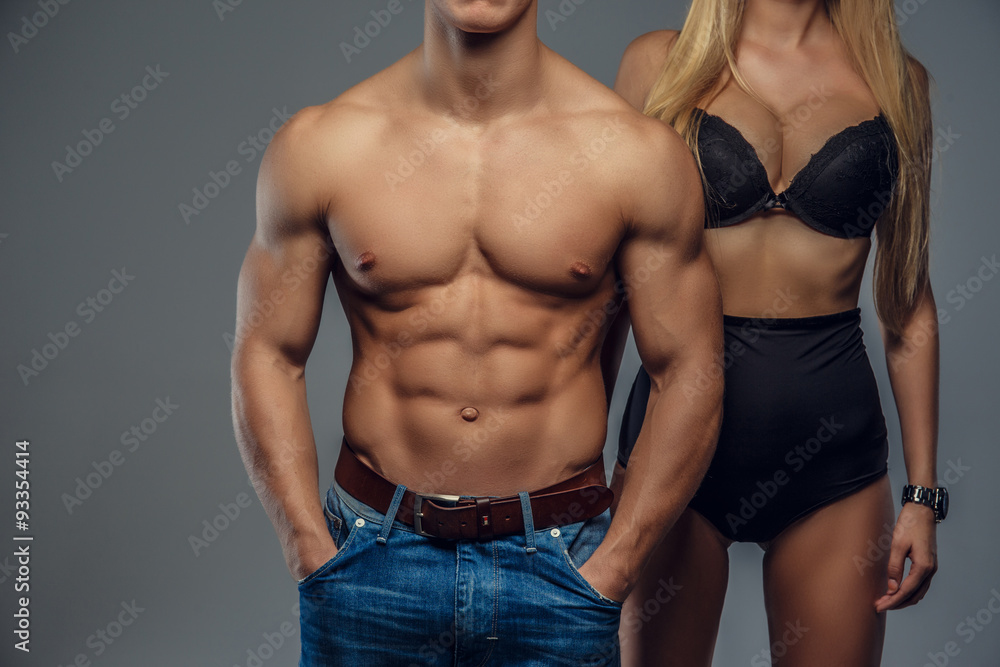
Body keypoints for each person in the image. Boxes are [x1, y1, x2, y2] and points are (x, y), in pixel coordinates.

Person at [230, 1, 723, 664]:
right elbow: (267, 352)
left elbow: (690, 369)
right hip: (370, 564)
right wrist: (307, 546)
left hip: (560, 567)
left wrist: (617, 563)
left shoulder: (633, 155)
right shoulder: (324, 144)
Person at [610, 0, 943, 664]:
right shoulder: (661, 63)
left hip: (832, 458)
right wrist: (577, 469)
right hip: (671, 441)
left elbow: (906, 303)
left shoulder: (898, 82)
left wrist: (923, 495)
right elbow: (613, 286)